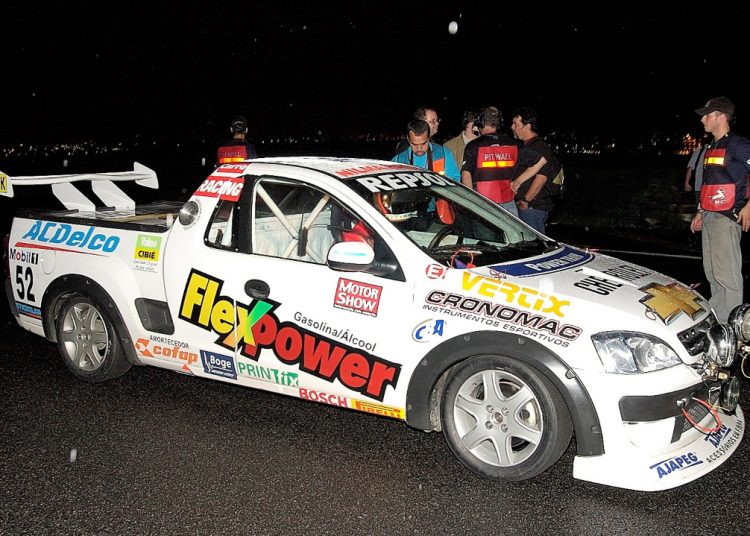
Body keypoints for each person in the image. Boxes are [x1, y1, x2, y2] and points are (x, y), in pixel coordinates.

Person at [690, 96, 750, 322]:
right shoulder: (713, 146)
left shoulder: (737, 143)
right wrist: (700, 211)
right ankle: (718, 321)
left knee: (727, 276)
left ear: (721, 116)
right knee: (713, 273)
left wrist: (749, 206)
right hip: (710, 216)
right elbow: (711, 184)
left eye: (707, 115)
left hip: (726, 218)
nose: (702, 119)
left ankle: (733, 327)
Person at [461, 106, 546, 217]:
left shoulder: (473, 146)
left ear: (481, 122)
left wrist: (471, 202)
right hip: (508, 205)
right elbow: (541, 161)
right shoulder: (513, 144)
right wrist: (518, 181)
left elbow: (466, 174)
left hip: (483, 203)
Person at [509, 107, 561, 234]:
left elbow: (541, 178)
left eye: (516, 124)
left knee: (534, 242)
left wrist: (526, 201)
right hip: (529, 207)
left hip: (533, 208)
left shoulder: (539, 146)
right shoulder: (527, 145)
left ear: (527, 126)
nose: (512, 127)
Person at [392, 119, 460, 181]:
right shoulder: (398, 161)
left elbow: (455, 182)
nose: (419, 149)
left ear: (429, 137)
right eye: (414, 144)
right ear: (408, 139)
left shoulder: (443, 154)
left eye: (423, 144)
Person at [684, 135, 709, 204]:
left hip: (701, 186)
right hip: (705, 186)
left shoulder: (699, 150)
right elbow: (690, 167)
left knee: (700, 207)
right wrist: (686, 183)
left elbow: (690, 168)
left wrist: (686, 183)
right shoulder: (699, 151)